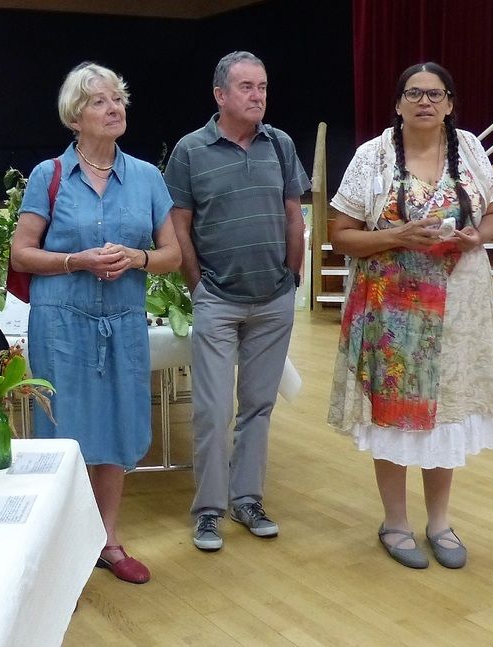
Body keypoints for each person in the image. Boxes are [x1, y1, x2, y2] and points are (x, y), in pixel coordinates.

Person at [327, 62, 493, 569]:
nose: (424, 102)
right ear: (398, 103)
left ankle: (440, 522)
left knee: (446, 411)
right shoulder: (373, 156)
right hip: (392, 312)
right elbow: (341, 235)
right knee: (394, 414)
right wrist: (397, 236)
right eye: (414, 93)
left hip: (458, 310)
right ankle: (395, 522)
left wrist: (478, 236)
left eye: (435, 94)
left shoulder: (470, 148)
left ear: (450, 103)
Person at [10, 62, 180, 584]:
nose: (114, 108)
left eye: (118, 99)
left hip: (122, 323)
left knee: (117, 426)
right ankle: (62, 546)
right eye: (99, 101)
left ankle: (107, 540)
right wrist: (76, 260)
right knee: (64, 431)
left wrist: (137, 257)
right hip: (61, 326)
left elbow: (173, 254)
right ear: (74, 117)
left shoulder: (147, 178)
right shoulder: (49, 176)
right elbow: (21, 253)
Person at [163, 51, 309, 553]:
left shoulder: (280, 144)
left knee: (258, 407)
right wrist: (197, 286)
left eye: (262, 87)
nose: (257, 96)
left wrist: (293, 277)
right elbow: (179, 225)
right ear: (220, 94)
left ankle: (248, 501)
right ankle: (209, 510)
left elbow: (294, 214)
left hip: (274, 298)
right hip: (217, 300)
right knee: (212, 409)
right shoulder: (190, 151)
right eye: (247, 87)